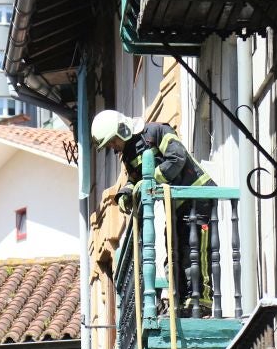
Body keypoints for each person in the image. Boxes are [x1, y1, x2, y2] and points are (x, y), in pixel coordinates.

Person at [91, 110, 217, 316]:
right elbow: (135, 179)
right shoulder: (130, 154)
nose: (113, 149)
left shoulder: (158, 131)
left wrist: (150, 180)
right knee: (174, 253)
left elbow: (177, 158)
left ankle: (200, 301)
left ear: (121, 131)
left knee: (195, 251)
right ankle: (184, 302)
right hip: (176, 204)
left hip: (198, 197)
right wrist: (126, 194)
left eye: (112, 142)